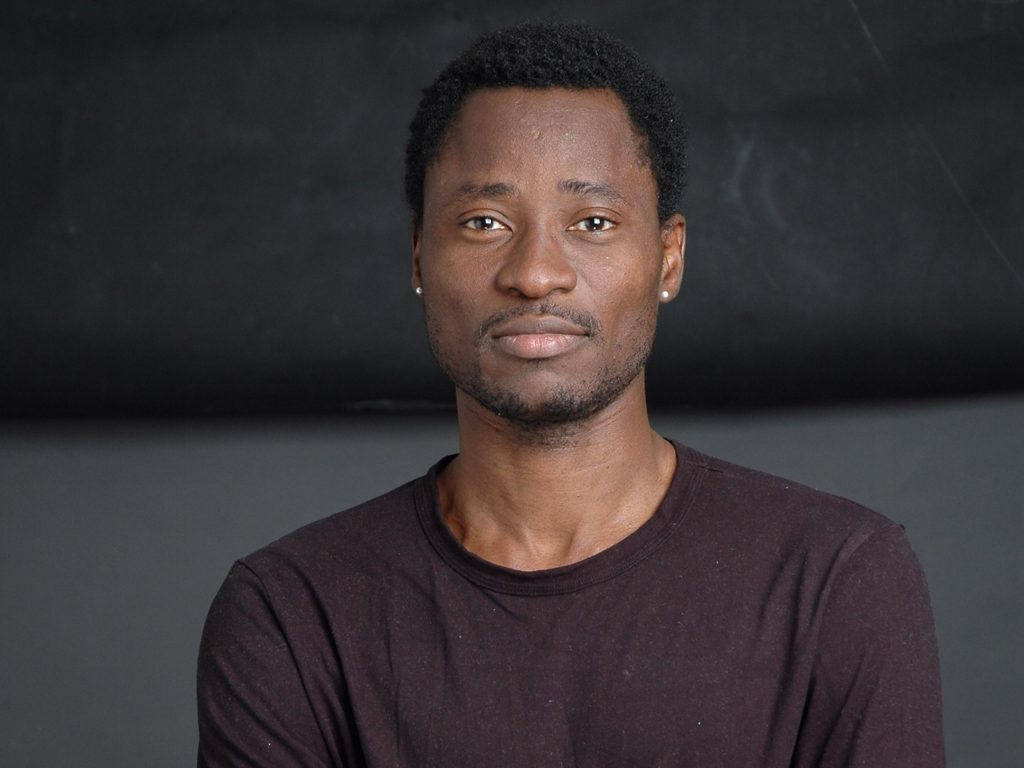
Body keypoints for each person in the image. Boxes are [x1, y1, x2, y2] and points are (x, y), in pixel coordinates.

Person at [197, 22, 944, 767]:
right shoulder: (293, 610)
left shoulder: (836, 578)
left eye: (592, 222)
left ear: (668, 258)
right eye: (484, 222)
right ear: (420, 255)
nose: (535, 274)